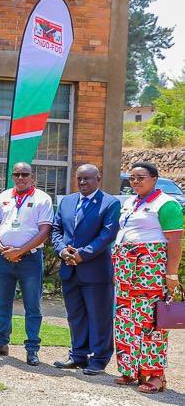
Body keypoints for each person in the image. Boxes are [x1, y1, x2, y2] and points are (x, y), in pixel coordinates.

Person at [111, 162, 182, 394]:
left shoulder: (166, 204)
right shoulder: (130, 202)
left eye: (140, 178)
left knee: (149, 322)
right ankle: (131, 369)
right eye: (132, 178)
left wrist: (171, 274)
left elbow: (174, 242)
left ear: (154, 178)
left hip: (149, 271)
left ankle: (155, 375)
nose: (135, 182)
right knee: (125, 319)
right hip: (126, 270)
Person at [49, 164, 120, 375]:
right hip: (69, 269)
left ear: (98, 178)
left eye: (87, 179)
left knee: (99, 316)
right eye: (79, 178)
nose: (82, 183)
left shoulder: (110, 203)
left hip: (95, 271)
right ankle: (78, 355)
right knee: (75, 315)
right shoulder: (67, 202)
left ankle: (99, 358)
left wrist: (82, 254)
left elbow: (107, 235)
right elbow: (56, 229)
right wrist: (62, 251)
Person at [0, 162, 53, 366]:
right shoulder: (4, 197)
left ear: (33, 177)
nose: (20, 177)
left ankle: (32, 349)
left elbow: (44, 231)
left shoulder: (42, 198)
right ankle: (1, 342)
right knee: (2, 304)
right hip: (4, 258)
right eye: (17, 174)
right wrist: (3, 249)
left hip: (29, 259)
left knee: (32, 305)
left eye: (25, 174)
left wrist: (19, 252)